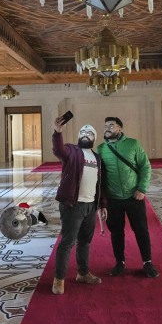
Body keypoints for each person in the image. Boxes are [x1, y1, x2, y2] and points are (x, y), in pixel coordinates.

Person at [50, 115, 108, 295]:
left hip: (91, 206)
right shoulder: (71, 151)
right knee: (67, 242)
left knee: (85, 242)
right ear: (78, 137)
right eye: (82, 131)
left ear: (94, 138)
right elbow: (58, 150)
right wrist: (57, 132)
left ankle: (83, 273)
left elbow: (100, 183)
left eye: (89, 132)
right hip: (73, 206)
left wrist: (102, 205)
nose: (85, 134)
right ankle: (59, 279)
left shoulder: (97, 158)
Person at [97, 116, 159, 278]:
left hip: (134, 197)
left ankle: (147, 262)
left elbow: (145, 167)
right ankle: (120, 262)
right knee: (116, 231)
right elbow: (100, 175)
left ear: (120, 129)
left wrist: (142, 188)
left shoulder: (133, 144)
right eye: (105, 126)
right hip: (113, 198)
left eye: (111, 125)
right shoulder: (102, 148)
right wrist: (101, 202)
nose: (107, 128)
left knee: (141, 229)